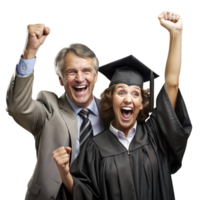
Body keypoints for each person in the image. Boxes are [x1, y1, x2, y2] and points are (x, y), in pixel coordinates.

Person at [52, 10, 193, 200]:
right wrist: (65, 174)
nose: (128, 99)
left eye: (135, 94)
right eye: (121, 92)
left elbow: (172, 83)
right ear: (110, 100)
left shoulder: (155, 134)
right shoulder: (93, 149)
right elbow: (83, 195)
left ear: (142, 103)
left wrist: (176, 35)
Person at [3, 23, 108, 200]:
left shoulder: (111, 113)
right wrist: (30, 52)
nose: (80, 78)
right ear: (60, 80)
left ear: (97, 77)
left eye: (86, 71)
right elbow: (16, 107)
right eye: (71, 72)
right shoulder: (48, 108)